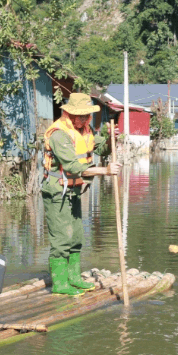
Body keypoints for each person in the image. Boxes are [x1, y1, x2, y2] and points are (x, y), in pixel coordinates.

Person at [42, 93, 121, 296]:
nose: (86, 119)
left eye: (88, 115)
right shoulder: (59, 135)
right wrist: (104, 171)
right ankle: (60, 284)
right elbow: (73, 166)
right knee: (61, 239)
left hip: (74, 190)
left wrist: (112, 138)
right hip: (57, 191)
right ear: (69, 113)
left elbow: (102, 149)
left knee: (76, 236)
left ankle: (74, 278)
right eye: (82, 116)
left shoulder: (85, 131)